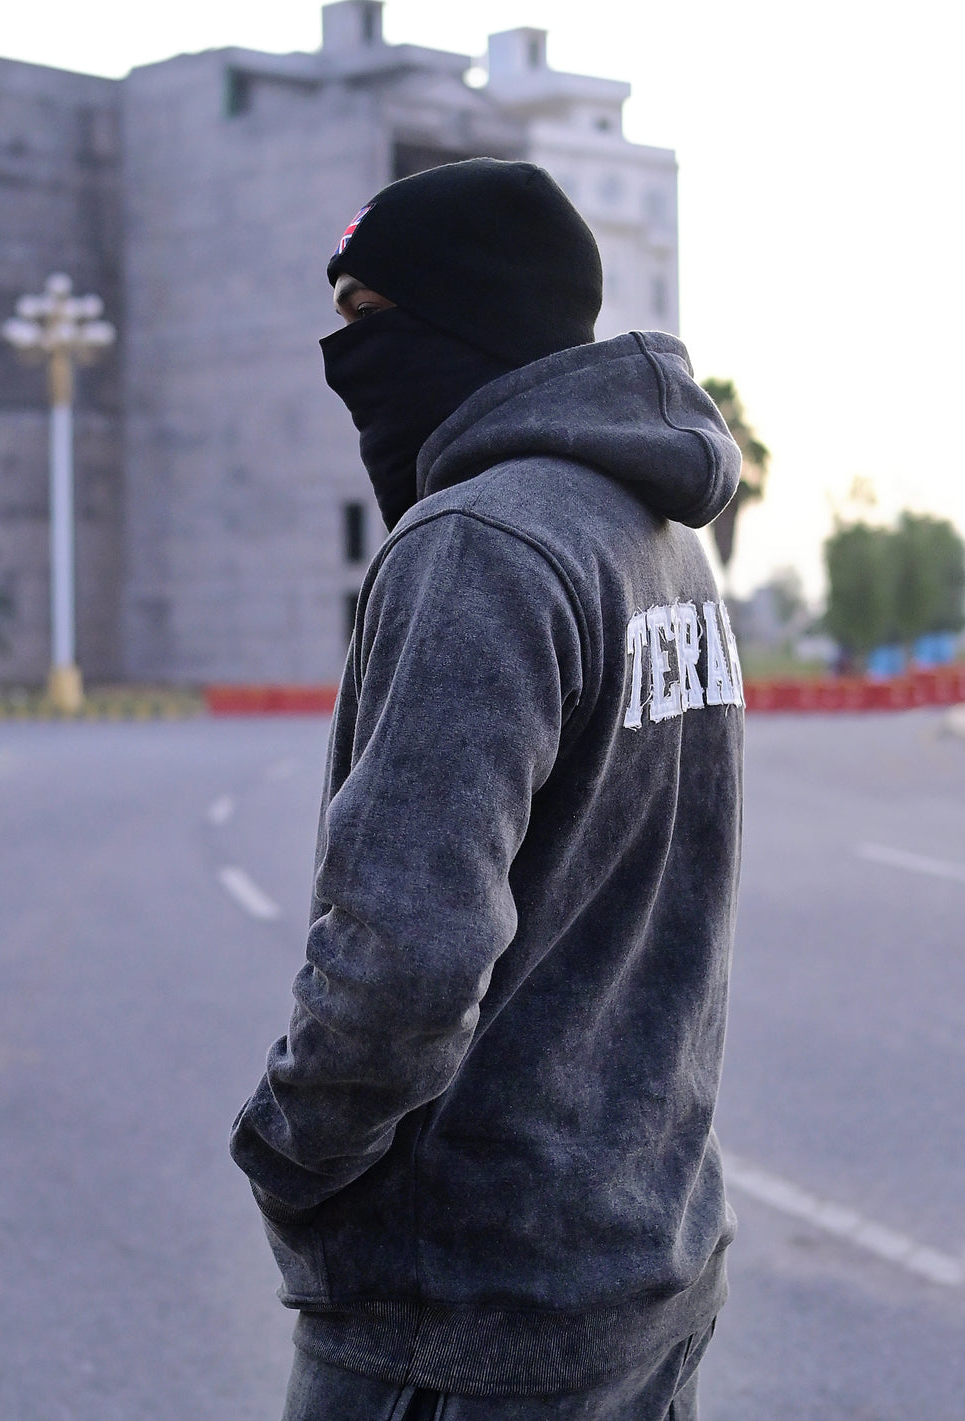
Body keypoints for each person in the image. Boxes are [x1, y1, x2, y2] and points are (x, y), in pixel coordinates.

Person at [231, 158, 744, 1421]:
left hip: (466, 1310)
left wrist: (290, 1149)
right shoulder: (660, 537)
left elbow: (405, 954)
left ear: (462, 316)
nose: (343, 357)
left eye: (366, 315)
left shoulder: (479, 541)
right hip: (642, 1258)